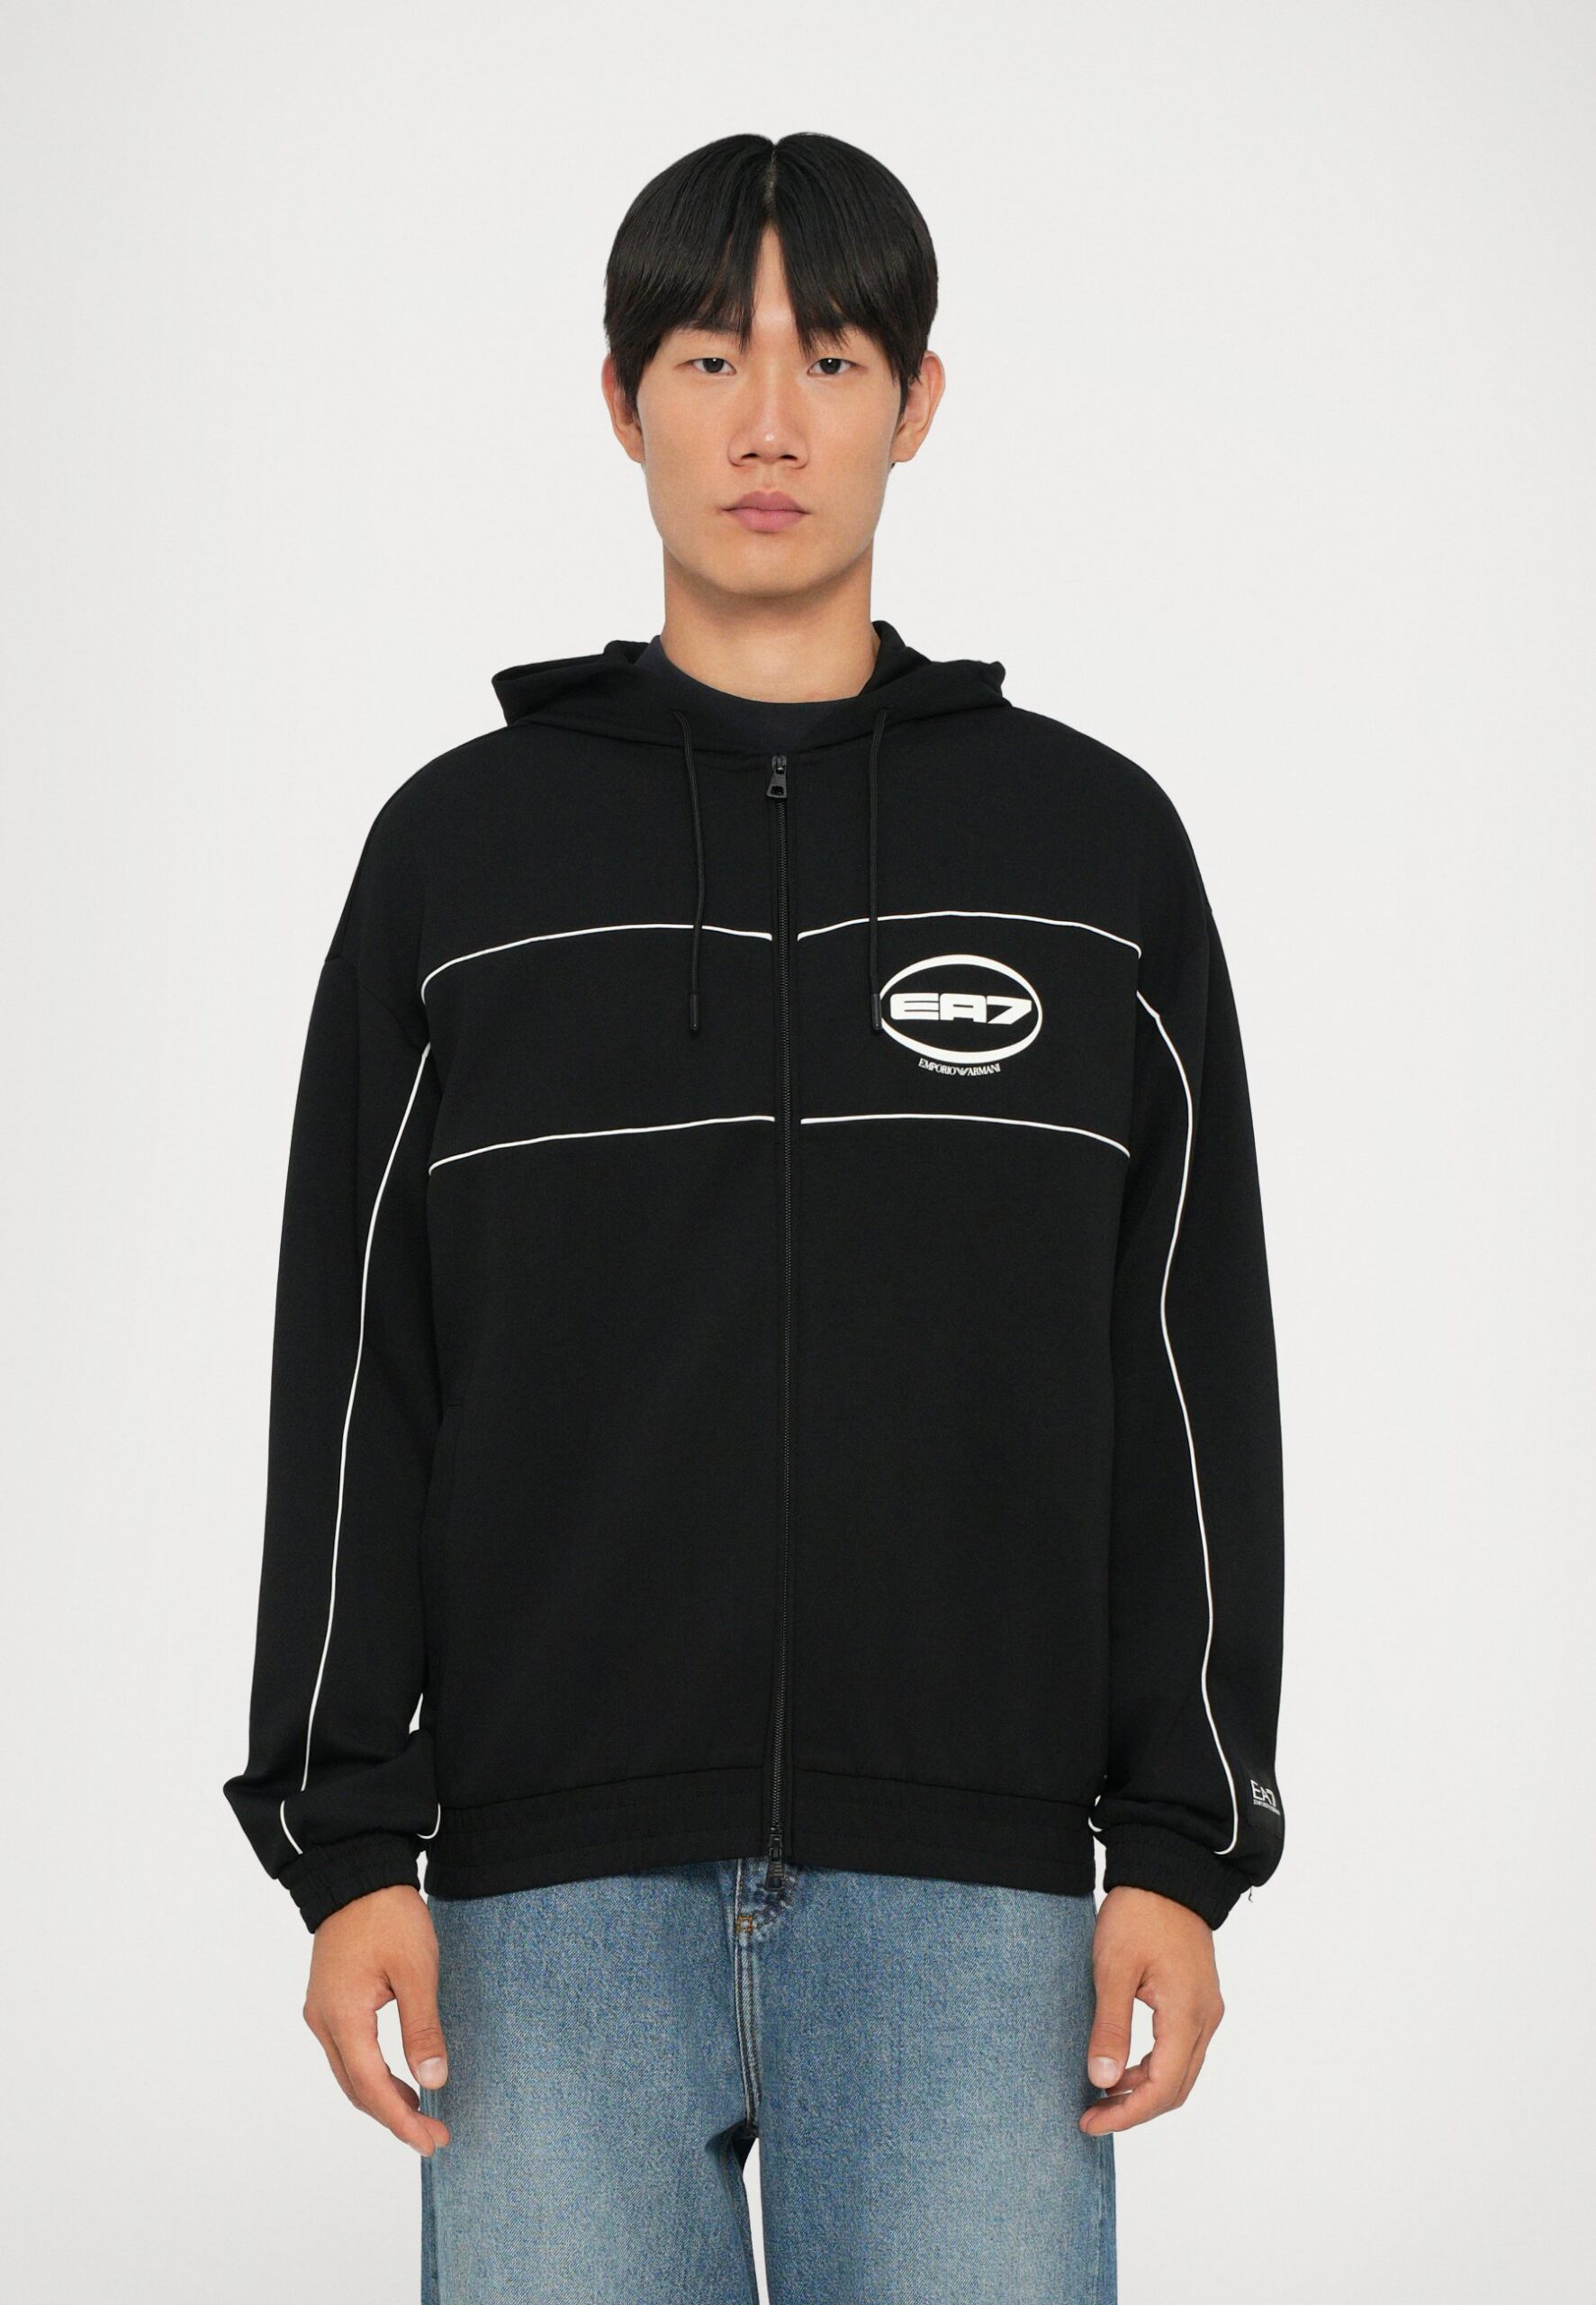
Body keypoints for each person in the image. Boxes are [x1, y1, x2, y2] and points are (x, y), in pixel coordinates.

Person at [223, 131, 1285, 2303]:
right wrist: (347, 1844)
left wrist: (1180, 1843)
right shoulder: (460, 860)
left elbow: (1183, 1365)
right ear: (622, 400)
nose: (771, 421)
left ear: (918, 400)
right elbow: (356, 1369)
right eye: (710, 357)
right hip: (544, 1902)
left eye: (832, 358)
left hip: (974, 1898)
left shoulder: (1089, 856)